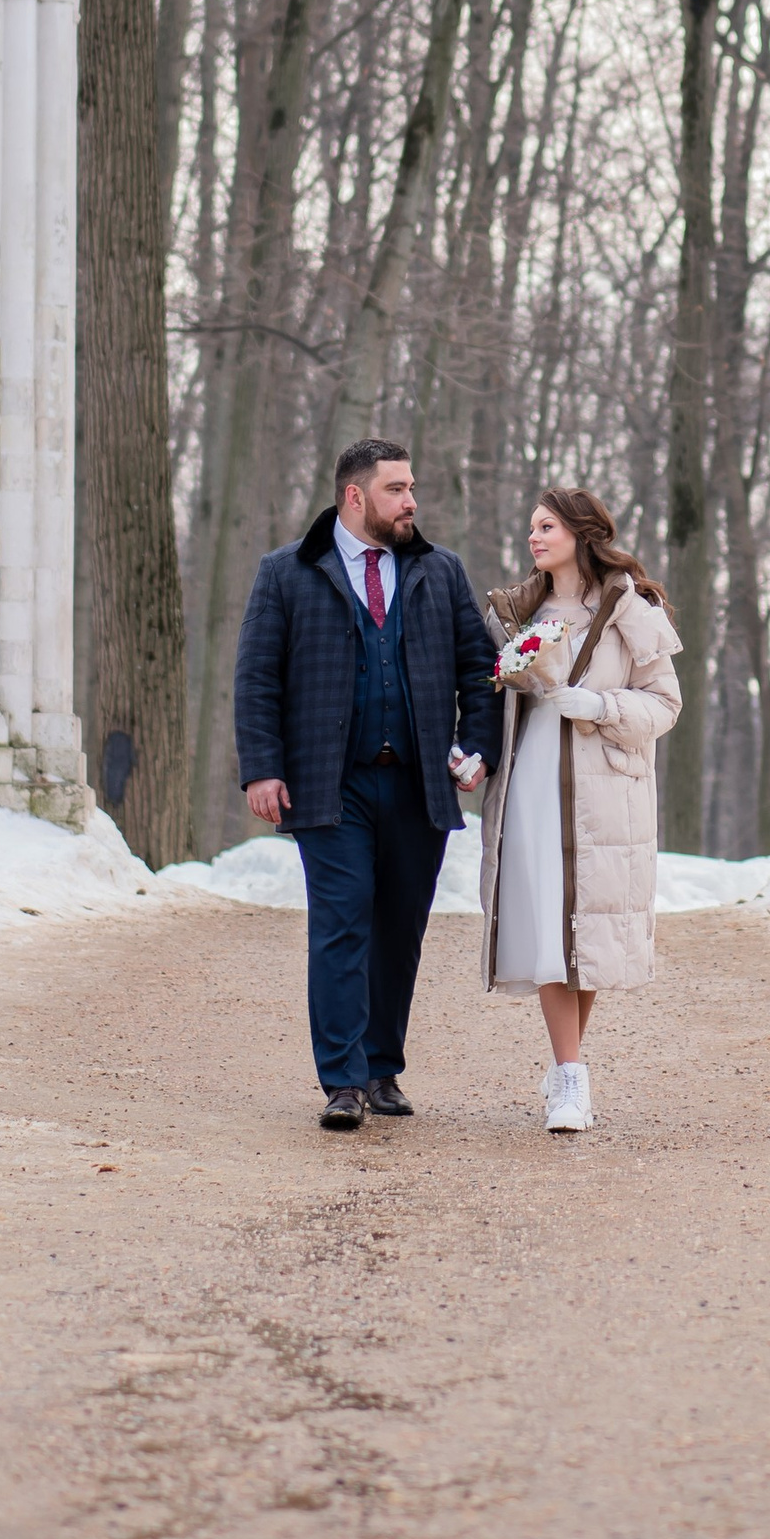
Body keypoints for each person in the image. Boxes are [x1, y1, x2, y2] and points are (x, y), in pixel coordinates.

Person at [233, 437, 501, 1132]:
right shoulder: (287, 572)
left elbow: (480, 669)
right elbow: (257, 676)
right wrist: (263, 765)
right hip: (330, 784)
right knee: (341, 920)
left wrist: (476, 745)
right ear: (355, 495)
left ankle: (382, 1068)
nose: (411, 500)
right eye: (396, 488)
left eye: (412, 486)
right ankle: (343, 1081)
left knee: (399, 928)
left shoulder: (440, 572)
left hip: (417, 785)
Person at [479, 482, 683, 1133]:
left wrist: (601, 707)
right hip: (532, 780)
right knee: (545, 920)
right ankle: (571, 1075)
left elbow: (665, 704)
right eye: (531, 526)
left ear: (580, 532)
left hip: (602, 792)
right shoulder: (519, 610)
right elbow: (498, 692)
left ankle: (568, 1071)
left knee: (584, 926)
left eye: (547, 526)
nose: (534, 536)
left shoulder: (631, 608)